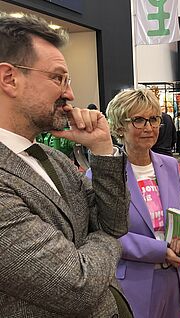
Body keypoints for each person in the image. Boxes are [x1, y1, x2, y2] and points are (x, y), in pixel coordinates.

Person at [0, 13, 131, 316]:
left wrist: (102, 148)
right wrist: (109, 240)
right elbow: (79, 284)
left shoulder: (53, 158)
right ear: (9, 78)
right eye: (58, 78)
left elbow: (116, 221)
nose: (70, 94)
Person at [100, 88, 180, 318]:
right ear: (118, 127)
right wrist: (161, 250)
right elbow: (108, 233)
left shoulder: (169, 164)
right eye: (138, 120)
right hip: (135, 282)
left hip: (175, 276)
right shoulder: (103, 175)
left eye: (154, 119)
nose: (149, 127)